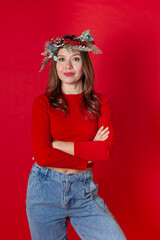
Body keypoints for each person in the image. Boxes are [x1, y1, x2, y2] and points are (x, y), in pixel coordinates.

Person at [25, 30, 127, 240]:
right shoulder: (43, 103)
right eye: (61, 59)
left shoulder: (100, 102)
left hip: (83, 191)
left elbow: (106, 150)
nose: (68, 66)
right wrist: (88, 156)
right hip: (45, 190)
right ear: (54, 64)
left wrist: (58, 145)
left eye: (75, 59)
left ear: (85, 64)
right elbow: (43, 156)